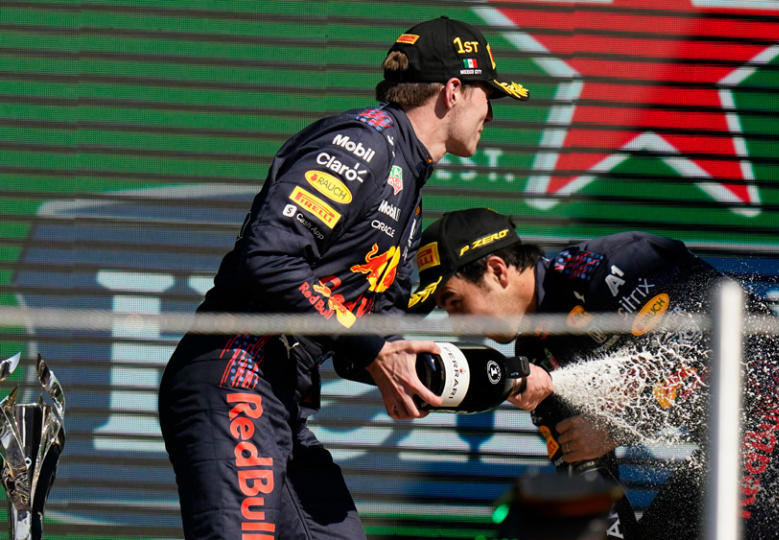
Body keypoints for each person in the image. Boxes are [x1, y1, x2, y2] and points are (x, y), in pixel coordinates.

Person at [158, 18, 529, 539]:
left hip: (281, 399)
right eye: (487, 94)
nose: (492, 110)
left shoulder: (408, 187)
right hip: (235, 373)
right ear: (453, 91)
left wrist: (476, 375)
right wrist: (372, 343)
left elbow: (368, 336)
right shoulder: (364, 144)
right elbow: (268, 259)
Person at [408, 208, 779, 540]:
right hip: (727, 440)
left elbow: (719, 358)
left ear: (497, 270)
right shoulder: (535, 357)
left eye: (453, 301)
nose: (456, 325)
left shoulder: (610, 267)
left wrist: (618, 423)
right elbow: (590, 486)